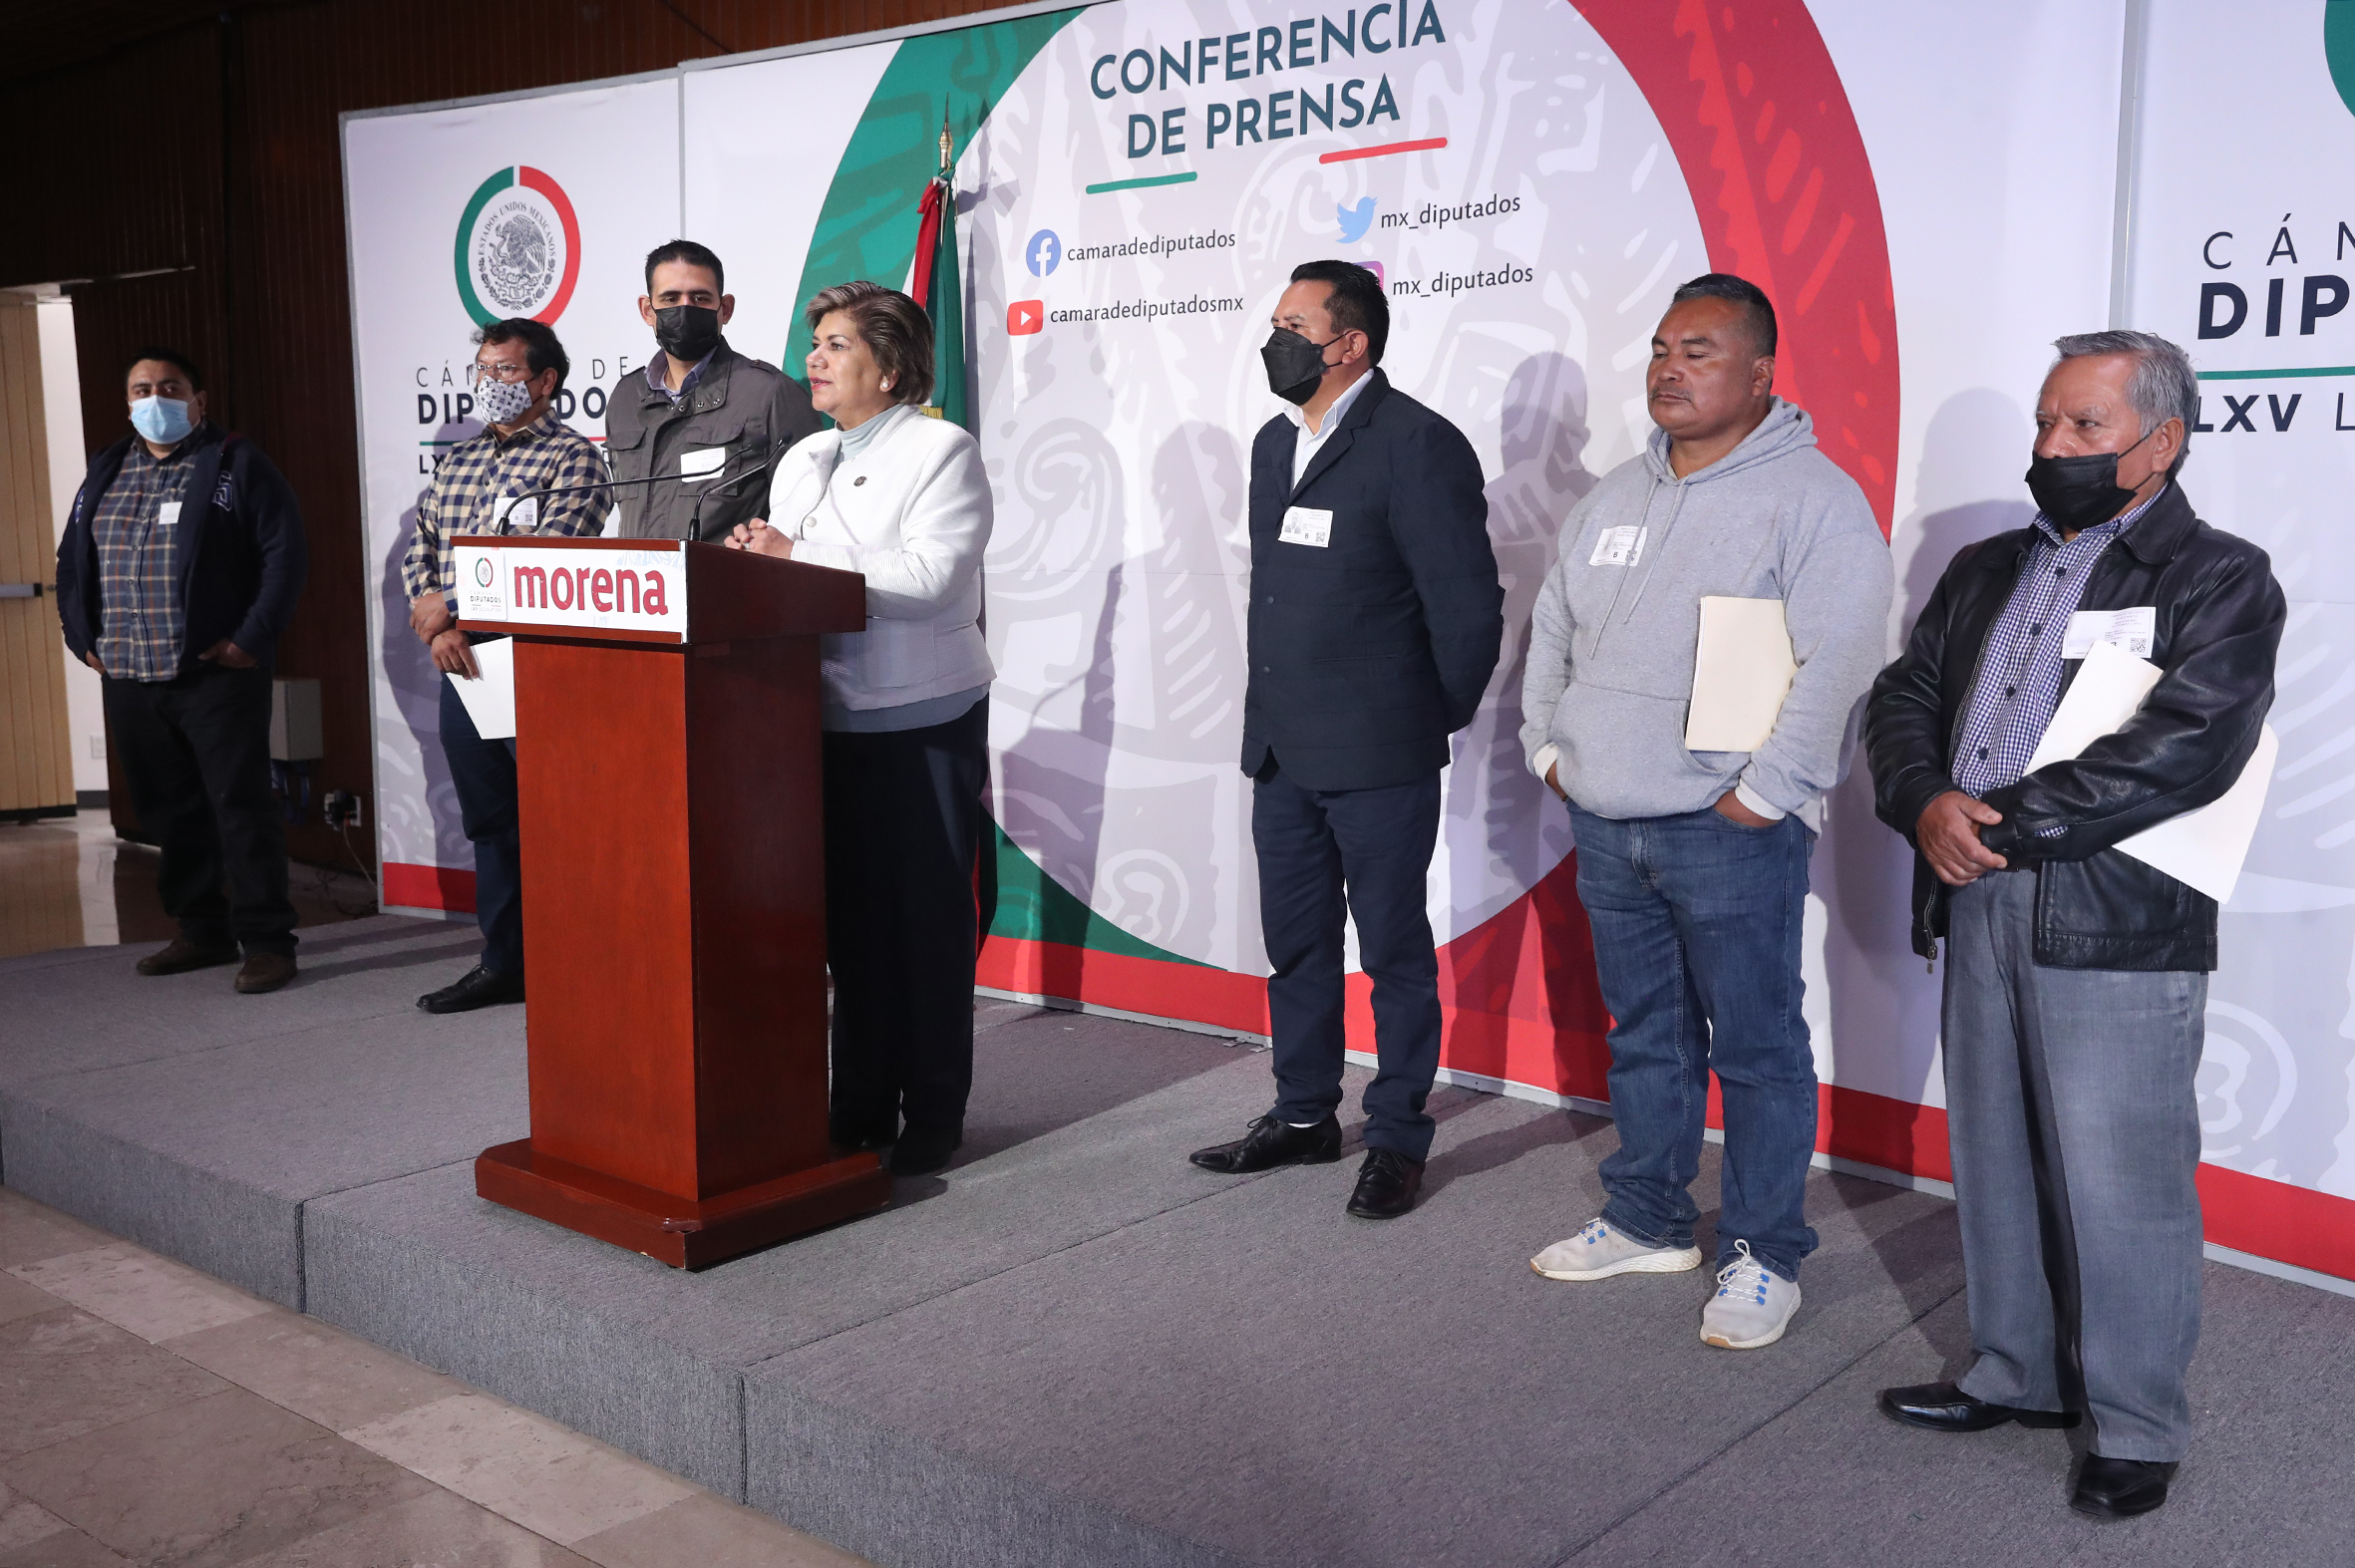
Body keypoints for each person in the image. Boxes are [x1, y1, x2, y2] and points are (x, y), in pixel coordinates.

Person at [1864, 330, 2282, 1519]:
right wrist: (1923, 799)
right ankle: (2016, 1372)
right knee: (1994, 1156)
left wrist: (2000, 817)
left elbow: (2187, 745)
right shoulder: (1985, 566)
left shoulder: (2220, 576)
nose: (2054, 445)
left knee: (2122, 1181)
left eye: (2084, 427)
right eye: (2046, 422)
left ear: (2160, 442)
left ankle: (2137, 1424)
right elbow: (1903, 694)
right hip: (1972, 888)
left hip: (2111, 914)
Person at [1518, 275, 1891, 1349]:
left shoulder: (1812, 498)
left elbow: (1841, 657)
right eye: (1660, 349)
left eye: (1699, 351)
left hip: (1728, 830)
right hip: (1607, 817)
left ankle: (1765, 1252)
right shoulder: (1611, 497)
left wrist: (1765, 793)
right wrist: (1549, 745)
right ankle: (1647, 1217)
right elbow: (1552, 627)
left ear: (1761, 374)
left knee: (1758, 1048)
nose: (1669, 369)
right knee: (1647, 1036)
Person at [1188, 260, 1503, 1220]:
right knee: (1297, 947)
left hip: (1380, 753)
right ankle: (1302, 1114)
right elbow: (1277, 595)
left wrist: (1418, 719)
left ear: (1349, 343)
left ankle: (1398, 1134)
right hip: (1282, 750)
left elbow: (1468, 610)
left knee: (1395, 953)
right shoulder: (1272, 444)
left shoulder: (1417, 443)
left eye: (1294, 326)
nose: (1273, 341)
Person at [729, 281, 993, 1177]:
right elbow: (783, 575)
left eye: (837, 345)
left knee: (924, 924)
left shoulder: (941, 449)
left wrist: (793, 557)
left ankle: (935, 1109)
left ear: (890, 367)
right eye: (816, 344)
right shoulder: (803, 456)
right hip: (821, 719)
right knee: (851, 928)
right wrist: (751, 564)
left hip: (921, 717)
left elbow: (930, 579)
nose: (815, 359)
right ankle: (862, 1102)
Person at [55, 348, 308, 994]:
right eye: (141, 388)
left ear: (199, 400)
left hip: (214, 672)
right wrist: (81, 637)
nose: (155, 398)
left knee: (239, 806)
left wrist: (250, 639)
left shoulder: (234, 462)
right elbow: (71, 562)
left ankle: (268, 941)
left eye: (170, 387)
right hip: (128, 674)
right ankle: (202, 930)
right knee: (168, 810)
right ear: (127, 401)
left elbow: (284, 553)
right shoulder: (106, 468)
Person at [402, 319, 611, 1013]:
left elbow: (549, 558)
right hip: (463, 659)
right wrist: (439, 626)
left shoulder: (574, 459)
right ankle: (505, 962)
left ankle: (582, 958)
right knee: (491, 818)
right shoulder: (457, 460)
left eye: (507, 371)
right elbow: (421, 547)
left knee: (558, 815)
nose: (491, 383)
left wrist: (454, 607)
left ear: (546, 381)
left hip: (535, 658)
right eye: (484, 371)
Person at [608, 239, 821, 542]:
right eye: (670, 298)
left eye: (700, 298)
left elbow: (808, 523)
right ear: (647, 310)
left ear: (726, 309)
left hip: (728, 574)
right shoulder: (625, 398)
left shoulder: (770, 394)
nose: (685, 309)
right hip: (641, 574)